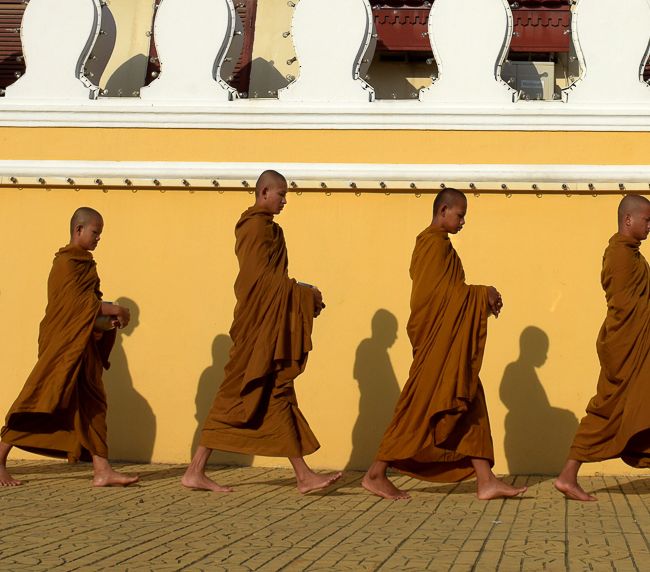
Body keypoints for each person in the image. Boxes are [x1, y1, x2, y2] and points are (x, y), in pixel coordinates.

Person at [362, 188, 526, 501]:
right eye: (459, 215)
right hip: (435, 345)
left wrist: (478, 297)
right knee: (418, 408)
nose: (463, 221)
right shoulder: (432, 246)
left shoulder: (442, 246)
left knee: (470, 398)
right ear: (443, 211)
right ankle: (375, 473)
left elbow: (449, 293)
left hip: (447, 345)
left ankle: (486, 479)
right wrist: (482, 294)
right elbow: (436, 299)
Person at [182, 170, 339, 494]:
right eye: (280, 194)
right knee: (234, 395)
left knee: (278, 391)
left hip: (267, 324)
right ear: (264, 191)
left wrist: (301, 292)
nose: (284, 201)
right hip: (256, 326)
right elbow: (258, 281)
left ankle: (303, 476)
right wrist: (303, 293)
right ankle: (195, 471)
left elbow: (273, 278)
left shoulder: (271, 229)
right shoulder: (254, 226)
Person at [554, 195, 650, 505]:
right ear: (629, 220)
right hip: (625, 351)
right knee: (607, 412)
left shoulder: (634, 256)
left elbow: (639, 303)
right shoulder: (619, 256)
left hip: (640, 348)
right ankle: (567, 476)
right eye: (647, 219)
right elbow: (623, 307)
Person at [0, 207, 136, 487]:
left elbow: (87, 309)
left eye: (100, 234)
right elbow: (74, 306)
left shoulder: (86, 264)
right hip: (61, 345)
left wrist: (108, 320)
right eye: (95, 232)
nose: (98, 238)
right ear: (79, 230)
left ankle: (102, 470)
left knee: (93, 402)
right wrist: (114, 308)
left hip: (81, 345)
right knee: (42, 399)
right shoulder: (65, 263)